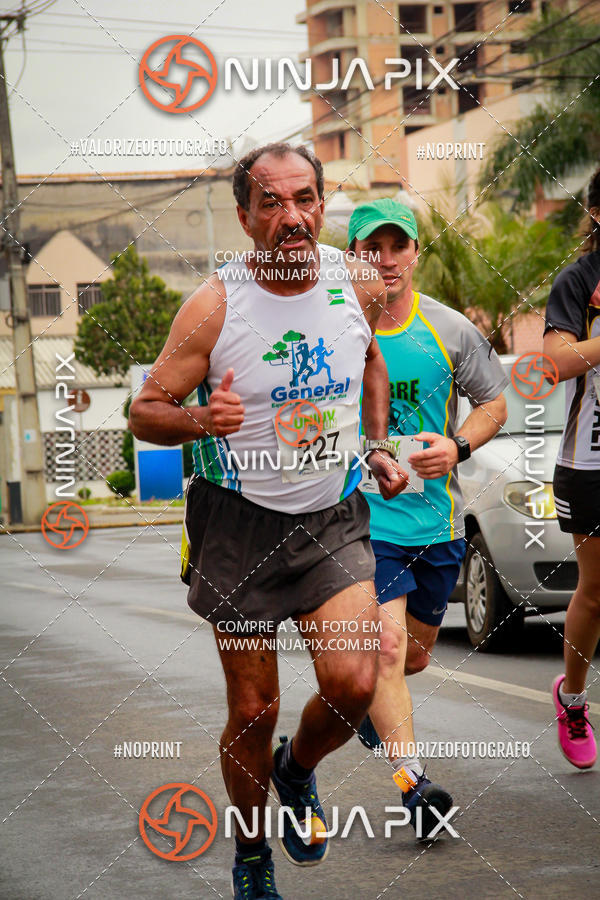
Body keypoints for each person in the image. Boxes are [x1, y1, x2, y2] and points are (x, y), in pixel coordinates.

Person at [129, 143, 407, 899]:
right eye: (273, 204)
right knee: (254, 710)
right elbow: (143, 411)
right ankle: (251, 854)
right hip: (238, 525)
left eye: (305, 199)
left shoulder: (355, 281)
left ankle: (298, 771)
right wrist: (197, 419)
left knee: (353, 684)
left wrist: (376, 443)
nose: (293, 217)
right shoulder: (216, 305)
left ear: (322, 202)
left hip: (331, 517)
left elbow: (371, 361)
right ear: (247, 217)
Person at [347, 198, 508, 837]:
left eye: (396, 246)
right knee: (386, 650)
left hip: (436, 525)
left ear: (415, 253)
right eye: (371, 248)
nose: (385, 260)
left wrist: (458, 445)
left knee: (410, 660)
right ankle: (414, 787)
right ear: (355, 255)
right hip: (362, 524)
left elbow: (494, 403)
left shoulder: (449, 328)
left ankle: (365, 707)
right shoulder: (334, 329)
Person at [543, 165, 600, 770]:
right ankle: (575, 697)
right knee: (597, 590)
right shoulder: (580, 279)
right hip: (591, 460)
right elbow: (555, 361)